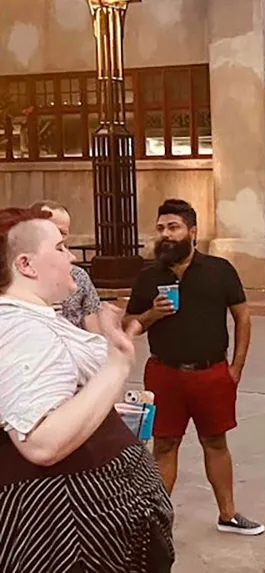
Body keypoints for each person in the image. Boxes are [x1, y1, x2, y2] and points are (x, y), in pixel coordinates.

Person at [0, 207, 174, 571]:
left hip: (87, 515)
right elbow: (42, 441)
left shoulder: (31, 321)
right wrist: (117, 363)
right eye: (61, 248)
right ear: (27, 265)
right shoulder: (21, 330)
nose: (71, 258)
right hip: (71, 522)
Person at [123, 198, 264, 536]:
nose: (165, 235)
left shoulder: (219, 269)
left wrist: (236, 367)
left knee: (215, 441)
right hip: (163, 372)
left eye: (173, 227)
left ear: (192, 232)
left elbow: (243, 315)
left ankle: (228, 514)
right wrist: (151, 315)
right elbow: (129, 324)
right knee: (164, 445)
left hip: (210, 372)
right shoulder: (148, 276)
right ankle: (157, 521)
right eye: (160, 229)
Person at [28, 200, 101, 333]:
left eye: (63, 233)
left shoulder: (78, 277)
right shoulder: (15, 277)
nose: (58, 237)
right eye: (53, 229)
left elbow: (94, 330)